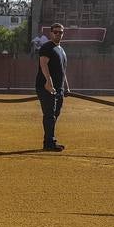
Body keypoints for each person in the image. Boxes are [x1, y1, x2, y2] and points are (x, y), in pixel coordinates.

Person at [35, 23, 68, 152]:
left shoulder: (61, 49)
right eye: (56, 32)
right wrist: (48, 83)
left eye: (61, 32)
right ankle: (49, 142)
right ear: (51, 33)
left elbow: (63, 71)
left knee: (55, 114)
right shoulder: (46, 47)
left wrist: (65, 86)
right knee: (49, 115)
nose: (58, 34)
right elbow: (43, 65)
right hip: (46, 87)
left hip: (58, 89)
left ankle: (49, 140)